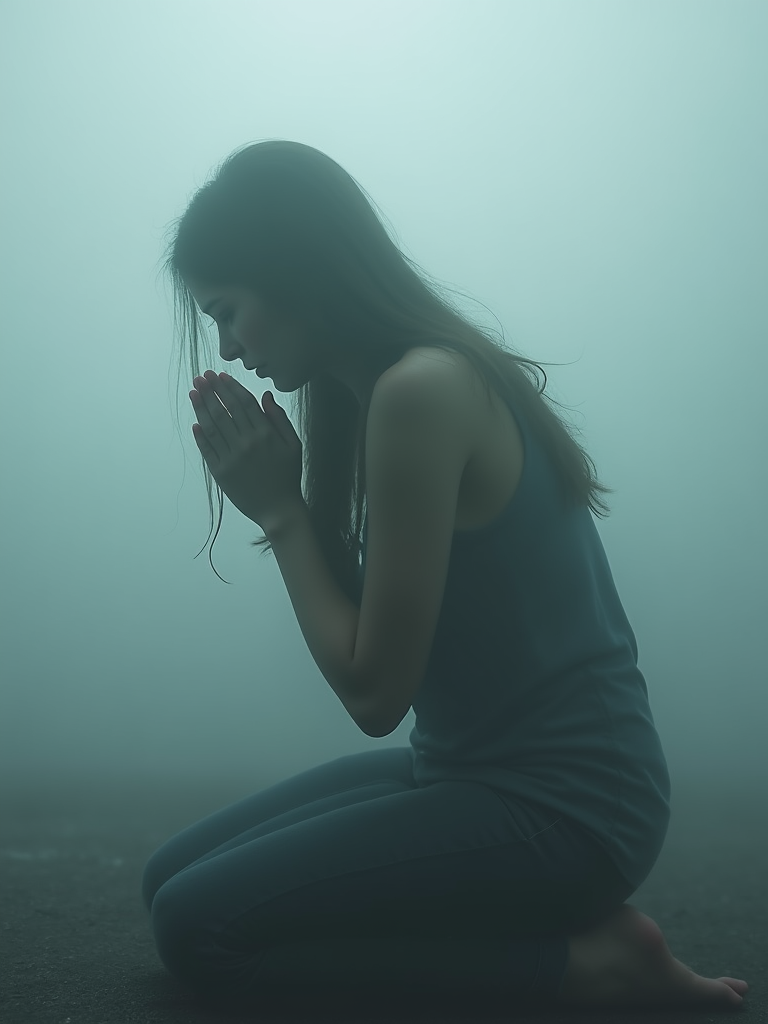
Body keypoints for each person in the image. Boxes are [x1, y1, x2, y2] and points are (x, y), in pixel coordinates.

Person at [141, 140, 748, 1013]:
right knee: (169, 881)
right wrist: (295, 505)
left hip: (571, 810)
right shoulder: (372, 392)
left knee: (196, 929)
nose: (230, 350)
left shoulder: (422, 391)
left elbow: (374, 694)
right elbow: (383, 652)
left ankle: (594, 966)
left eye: (230, 313)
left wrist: (282, 514)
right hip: (466, 770)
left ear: (297, 271)